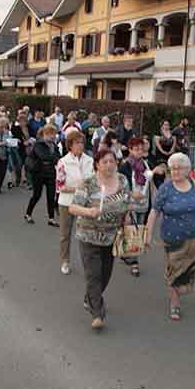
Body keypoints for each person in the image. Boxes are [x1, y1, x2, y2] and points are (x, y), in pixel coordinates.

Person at [69, 149, 131, 330]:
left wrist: (127, 216)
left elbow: (126, 202)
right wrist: (88, 211)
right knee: (93, 274)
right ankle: (97, 314)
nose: (109, 165)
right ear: (97, 164)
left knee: (105, 275)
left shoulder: (122, 180)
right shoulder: (88, 183)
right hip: (89, 236)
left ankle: (90, 297)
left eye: (111, 161)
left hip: (111, 237)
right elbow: (73, 207)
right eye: (104, 162)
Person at [145, 152, 195, 320]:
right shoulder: (166, 188)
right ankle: (174, 302)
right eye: (172, 169)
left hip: (194, 236)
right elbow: (154, 211)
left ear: (187, 170)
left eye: (178, 168)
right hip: (172, 238)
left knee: (190, 269)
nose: (174, 172)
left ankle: (178, 289)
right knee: (174, 271)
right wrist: (148, 233)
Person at [56, 131, 95, 274]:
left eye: (82, 143)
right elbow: (60, 187)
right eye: (77, 143)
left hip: (84, 204)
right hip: (66, 203)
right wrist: (75, 188)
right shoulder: (63, 162)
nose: (80, 145)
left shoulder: (89, 160)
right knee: (65, 234)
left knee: (84, 234)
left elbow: (93, 181)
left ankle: (87, 263)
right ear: (70, 145)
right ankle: (65, 261)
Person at [118, 138, 153, 277]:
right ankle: (134, 263)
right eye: (136, 149)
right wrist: (132, 193)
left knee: (137, 231)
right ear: (130, 150)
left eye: (141, 149)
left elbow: (150, 182)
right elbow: (119, 186)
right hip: (130, 204)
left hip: (143, 203)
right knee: (133, 231)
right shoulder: (125, 166)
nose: (139, 151)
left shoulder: (145, 163)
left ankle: (127, 253)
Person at [24, 124, 60, 226]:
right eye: (50, 134)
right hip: (38, 173)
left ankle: (51, 218)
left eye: (54, 134)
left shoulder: (54, 145)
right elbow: (44, 156)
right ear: (44, 134)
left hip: (51, 173)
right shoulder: (38, 144)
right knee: (36, 195)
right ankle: (28, 213)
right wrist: (53, 158)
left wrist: (54, 158)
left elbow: (59, 158)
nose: (52, 136)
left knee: (51, 196)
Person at [10, 112, 33, 188]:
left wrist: (30, 140)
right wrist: (22, 142)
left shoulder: (29, 127)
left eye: (24, 121)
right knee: (19, 165)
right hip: (19, 149)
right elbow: (14, 138)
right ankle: (18, 180)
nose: (23, 123)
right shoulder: (15, 128)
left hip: (29, 149)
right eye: (21, 121)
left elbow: (33, 136)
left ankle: (28, 182)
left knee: (27, 165)